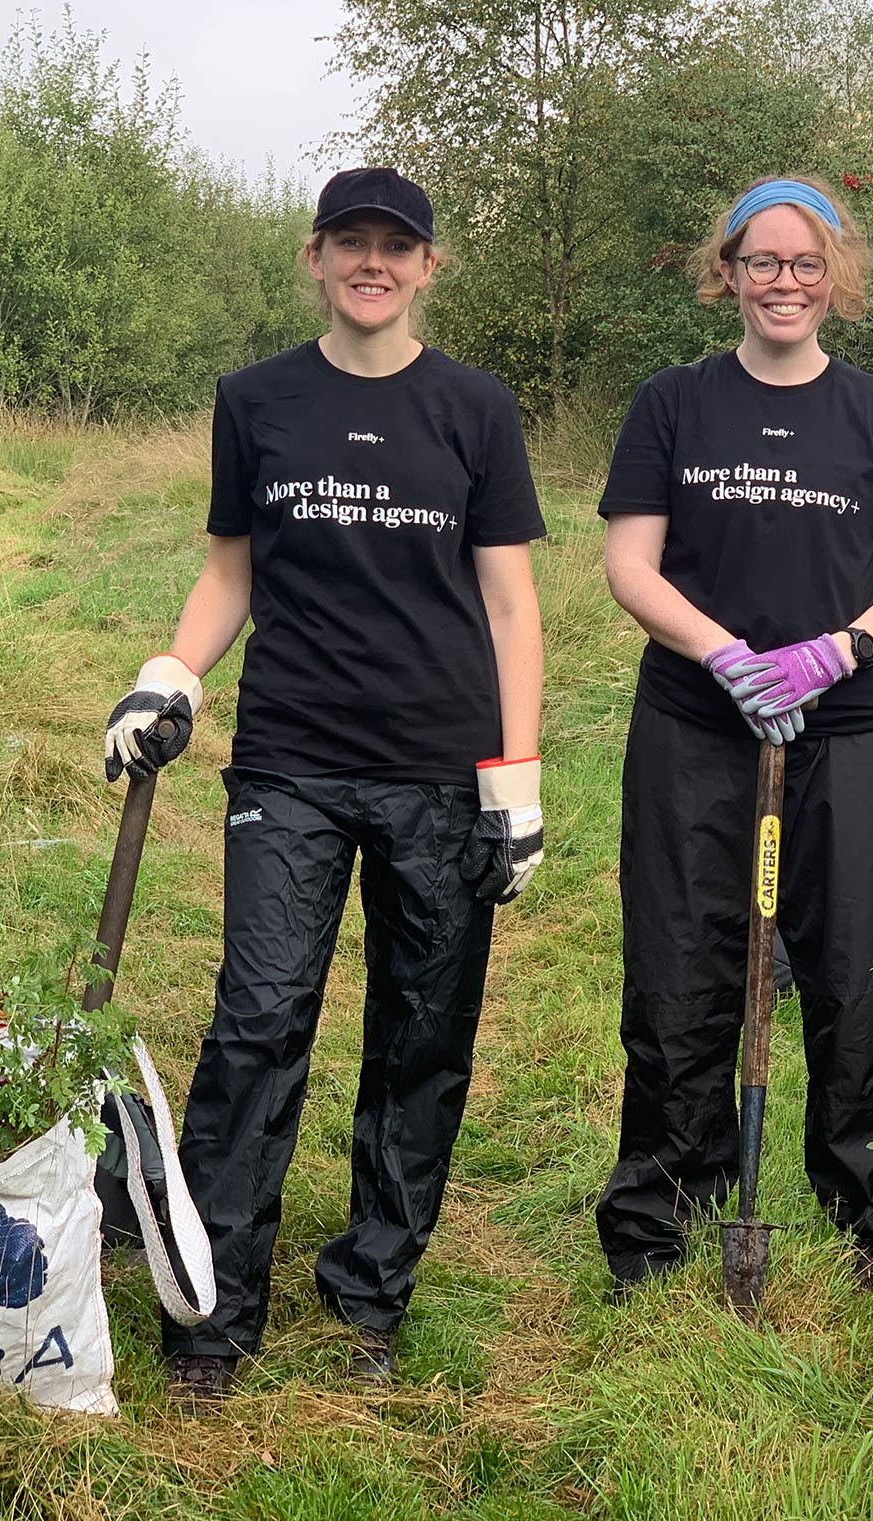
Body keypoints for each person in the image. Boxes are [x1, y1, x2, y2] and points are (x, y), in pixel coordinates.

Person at [102, 166, 547, 1401]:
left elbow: (513, 607)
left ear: (428, 267)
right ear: (313, 257)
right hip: (290, 760)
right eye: (350, 243)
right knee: (257, 1021)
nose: (373, 263)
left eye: (396, 247)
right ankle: (210, 1304)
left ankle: (370, 1294)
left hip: (440, 772)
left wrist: (518, 782)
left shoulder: (476, 410)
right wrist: (170, 675)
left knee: (422, 1037)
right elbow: (229, 573)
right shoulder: (257, 401)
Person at [595, 175, 873, 1295]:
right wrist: (722, 654)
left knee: (866, 974)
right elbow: (628, 563)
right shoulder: (673, 403)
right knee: (679, 968)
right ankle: (662, 1215)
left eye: (805, 264)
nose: (783, 282)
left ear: (835, 278)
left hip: (851, 730)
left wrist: (836, 650)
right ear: (730, 274)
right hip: (696, 731)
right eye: (762, 262)